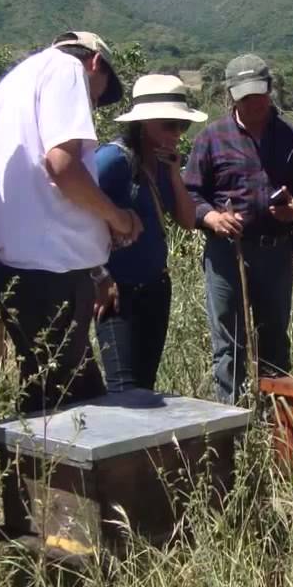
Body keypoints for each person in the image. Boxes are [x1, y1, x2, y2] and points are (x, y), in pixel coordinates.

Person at [0, 31, 140, 415]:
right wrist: (118, 218)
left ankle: (27, 473)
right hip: (52, 279)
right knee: (65, 411)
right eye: (98, 94)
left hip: (21, 271)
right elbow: (63, 168)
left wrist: (96, 272)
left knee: (52, 396)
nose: (94, 103)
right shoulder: (68, 70)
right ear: (95, 62)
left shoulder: (18, 79)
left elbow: (44, 199)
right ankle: (31, 474)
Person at [185, 54, 293, 405]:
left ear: (270, 90)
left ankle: (277, 422)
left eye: (259, 94)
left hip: (275, 251)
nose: (254, 103)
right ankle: (231, 425)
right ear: (231, 95)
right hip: (226, 254)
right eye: (245, 96)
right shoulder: (211, 138)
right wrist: (211, 218)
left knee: (275, 340)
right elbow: (190, 192)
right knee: (228, 344)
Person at [93, 74, 206, 392]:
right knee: (123, 387)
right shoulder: (113, 161)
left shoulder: (161, 164)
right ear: (143, 124)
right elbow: (74, 212)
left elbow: (186, 219)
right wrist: (98, 275)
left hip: (156, 288)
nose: (177, 134)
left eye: (181, 126)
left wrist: (174, 172)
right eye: (169, 125)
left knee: (145, 386)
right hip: (118, 294)